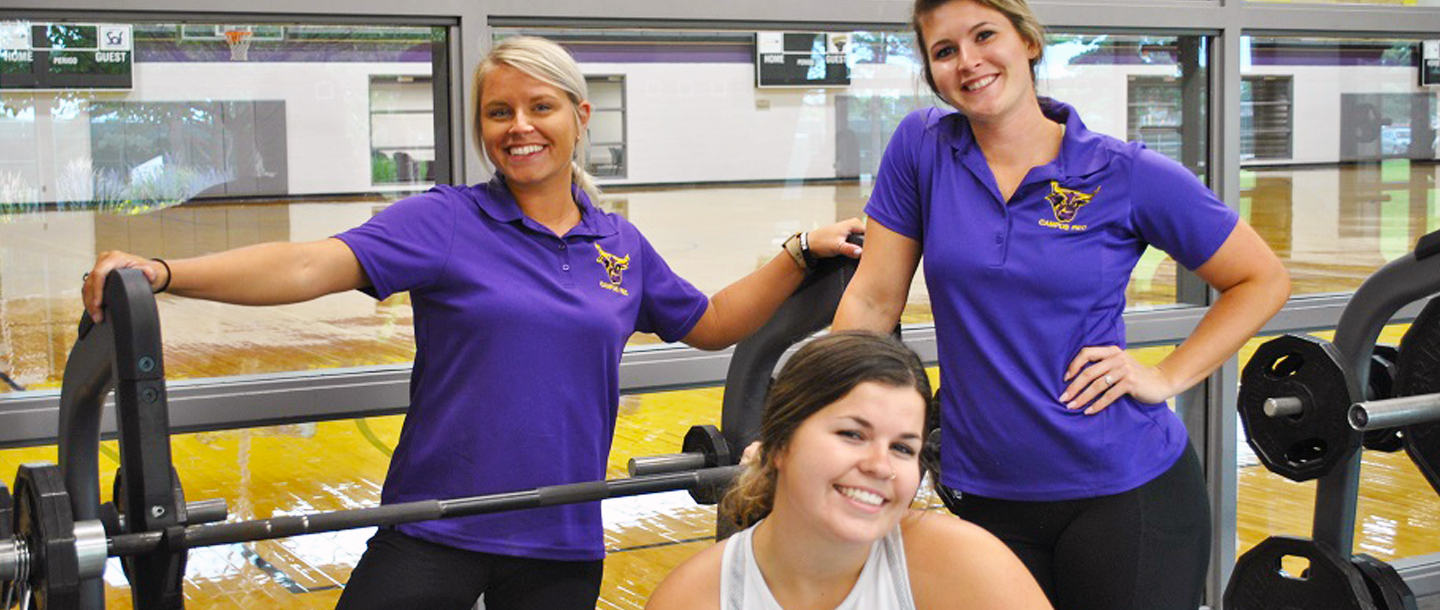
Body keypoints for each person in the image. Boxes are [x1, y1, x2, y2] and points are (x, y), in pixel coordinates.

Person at [81, 36, 864, 610]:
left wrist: (799, 253)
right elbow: (311, 264)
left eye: (539, 106)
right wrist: (168, 273)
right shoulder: (446, 221)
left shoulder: (619, 245)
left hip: (560, 542)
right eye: (499, 111)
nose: (518, 125)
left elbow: (712, 321)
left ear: (579, 116)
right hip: (433, 527)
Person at [831, 1, 1291, 609]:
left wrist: (1165, 375)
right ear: (933, 73)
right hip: (980, 489)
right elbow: (871, 298)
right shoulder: (922, 149)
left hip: (1125, 494)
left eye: (984, 36)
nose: (968, 61)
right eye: (945, 51)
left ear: (1027, 42)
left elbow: (1261, 278)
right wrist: (811, 418)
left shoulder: (1121, 172)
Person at [645, 331, 1052, 610]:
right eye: (853, 435)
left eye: (901, 447)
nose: (879, 466)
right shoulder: (697, 597)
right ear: (779, 446)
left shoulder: (964, 564)